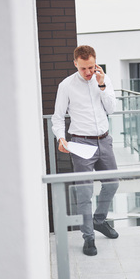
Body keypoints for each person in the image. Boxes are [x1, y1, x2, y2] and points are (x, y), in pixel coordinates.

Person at [51, 45, 119, 256]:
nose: (88, 72)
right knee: (84, 193)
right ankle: (88, 238)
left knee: (113, 183)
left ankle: (99, 220)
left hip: (104, 141)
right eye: (83, 68)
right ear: (75, 64)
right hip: (80, 144)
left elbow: (111, 109)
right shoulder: (66, 85)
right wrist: (61, 138)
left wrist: (101, 86)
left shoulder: (103, 79)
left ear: (95, 61)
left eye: (91, 67)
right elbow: (58, 117)